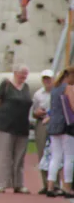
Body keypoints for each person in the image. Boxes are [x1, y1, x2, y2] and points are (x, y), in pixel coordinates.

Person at [0, 64, 32, 194]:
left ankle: (18, 184)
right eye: (22, 73)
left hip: (22, 126)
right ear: (15, 73)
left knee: (19, 157)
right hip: (5, 125)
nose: (24, 76)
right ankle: (2, 184)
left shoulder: (26, 87)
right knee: (5, 155)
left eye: (26, 74)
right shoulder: (6, 85)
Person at [45, 67, 74, 198]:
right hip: (67, 125)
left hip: (54, 124)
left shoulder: (54, 89)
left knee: (55, 156)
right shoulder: (68, 88)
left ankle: (50, 186)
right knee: (69, 156)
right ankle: (67, 187)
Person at [33, 69, 55, 194]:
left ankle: (55, 183)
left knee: (55, 153)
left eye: (49, 78)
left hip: (55, 123)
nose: (47, 81)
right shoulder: (38, 94)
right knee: (42, 152)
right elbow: (33, 112)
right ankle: (45, 184)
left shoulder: (58, 92)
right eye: (44, 79)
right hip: (42, 122)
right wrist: (37, 113)